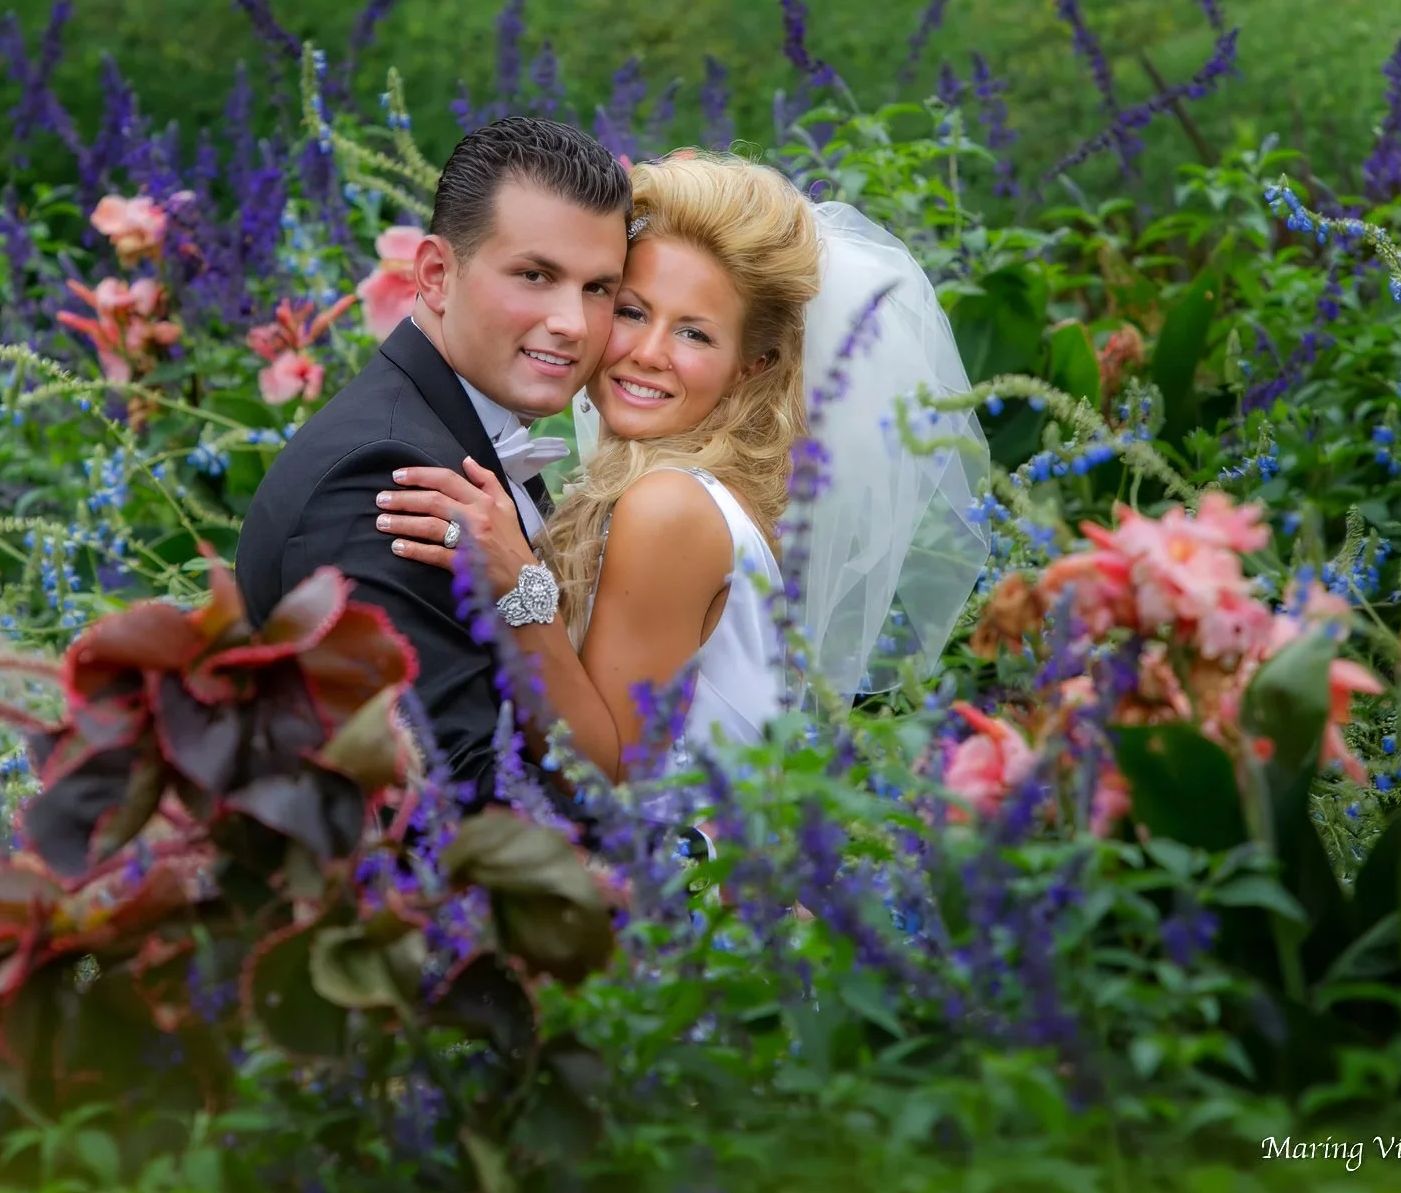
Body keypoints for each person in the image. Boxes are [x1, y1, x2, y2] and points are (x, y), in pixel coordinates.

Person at [376, 151, 991, 786]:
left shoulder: (669, 507)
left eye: (694, 334)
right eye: (632, 312)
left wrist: (518, 586)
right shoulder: (685, 490)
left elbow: (608, 775)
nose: (647, 353)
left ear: (749, 366)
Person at [233, 117, 631, 810]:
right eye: (536, 275)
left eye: (599, 289)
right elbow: (450, 794)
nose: (573, 322)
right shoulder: (383, 478)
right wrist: (679, 859)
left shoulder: (459, 429)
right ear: (437, 275)